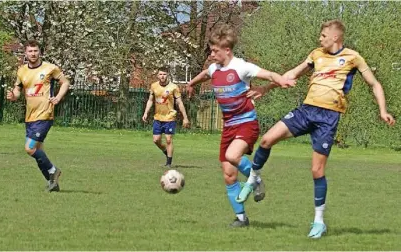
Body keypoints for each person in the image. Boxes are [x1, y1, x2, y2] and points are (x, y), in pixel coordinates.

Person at [237, 19, 396, 238]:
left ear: (335, 37)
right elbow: (292, 74)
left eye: (323, 35)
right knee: (266, 140)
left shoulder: (353, 57)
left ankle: (319, 222)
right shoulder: (316, 54)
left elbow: (375, 84)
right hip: (306, 111)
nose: (319, 39)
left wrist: (382, 110)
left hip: (328, 117)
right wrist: (266, 87)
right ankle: (253, 178)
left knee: (317, 170)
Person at [186, 23, 295, 227]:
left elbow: (268, 74)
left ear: (227, 50)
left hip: (246, 123)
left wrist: (281, 80)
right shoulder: (214, 68)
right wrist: (191, 83)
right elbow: (204, 74)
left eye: (214, 50)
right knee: (228, 175)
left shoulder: (241, 67)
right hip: (228, 127)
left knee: (232, 156)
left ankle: (256, 178)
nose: (211, 54)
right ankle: (241, 219)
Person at [7, 39, 70, 192]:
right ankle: (52, 183)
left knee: (29, 148)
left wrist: (58, 97)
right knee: (38, 151)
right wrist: (13, 96)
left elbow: (65, 82)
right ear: (26, 53)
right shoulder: (22, 71)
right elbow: (17, 89)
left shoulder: (50, 68)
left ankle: (53, 170)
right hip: (30, 117)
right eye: (30, 51)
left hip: (45, 115)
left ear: (40, 52)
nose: (33, 53)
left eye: (36, 51)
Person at [142, 66, 190, 167]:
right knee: (156, 140)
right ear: (157, 75)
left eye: (164, 74)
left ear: (167, 75)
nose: (162, 76)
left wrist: (185, 117)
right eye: (160, 74)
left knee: (168, 139)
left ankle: (168, 163)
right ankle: (166, 151)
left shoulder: (174, 87)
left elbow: (180, 103)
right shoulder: (154, 86)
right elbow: (150, 100)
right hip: (158, 117)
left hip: (170, 117)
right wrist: (146, 112)